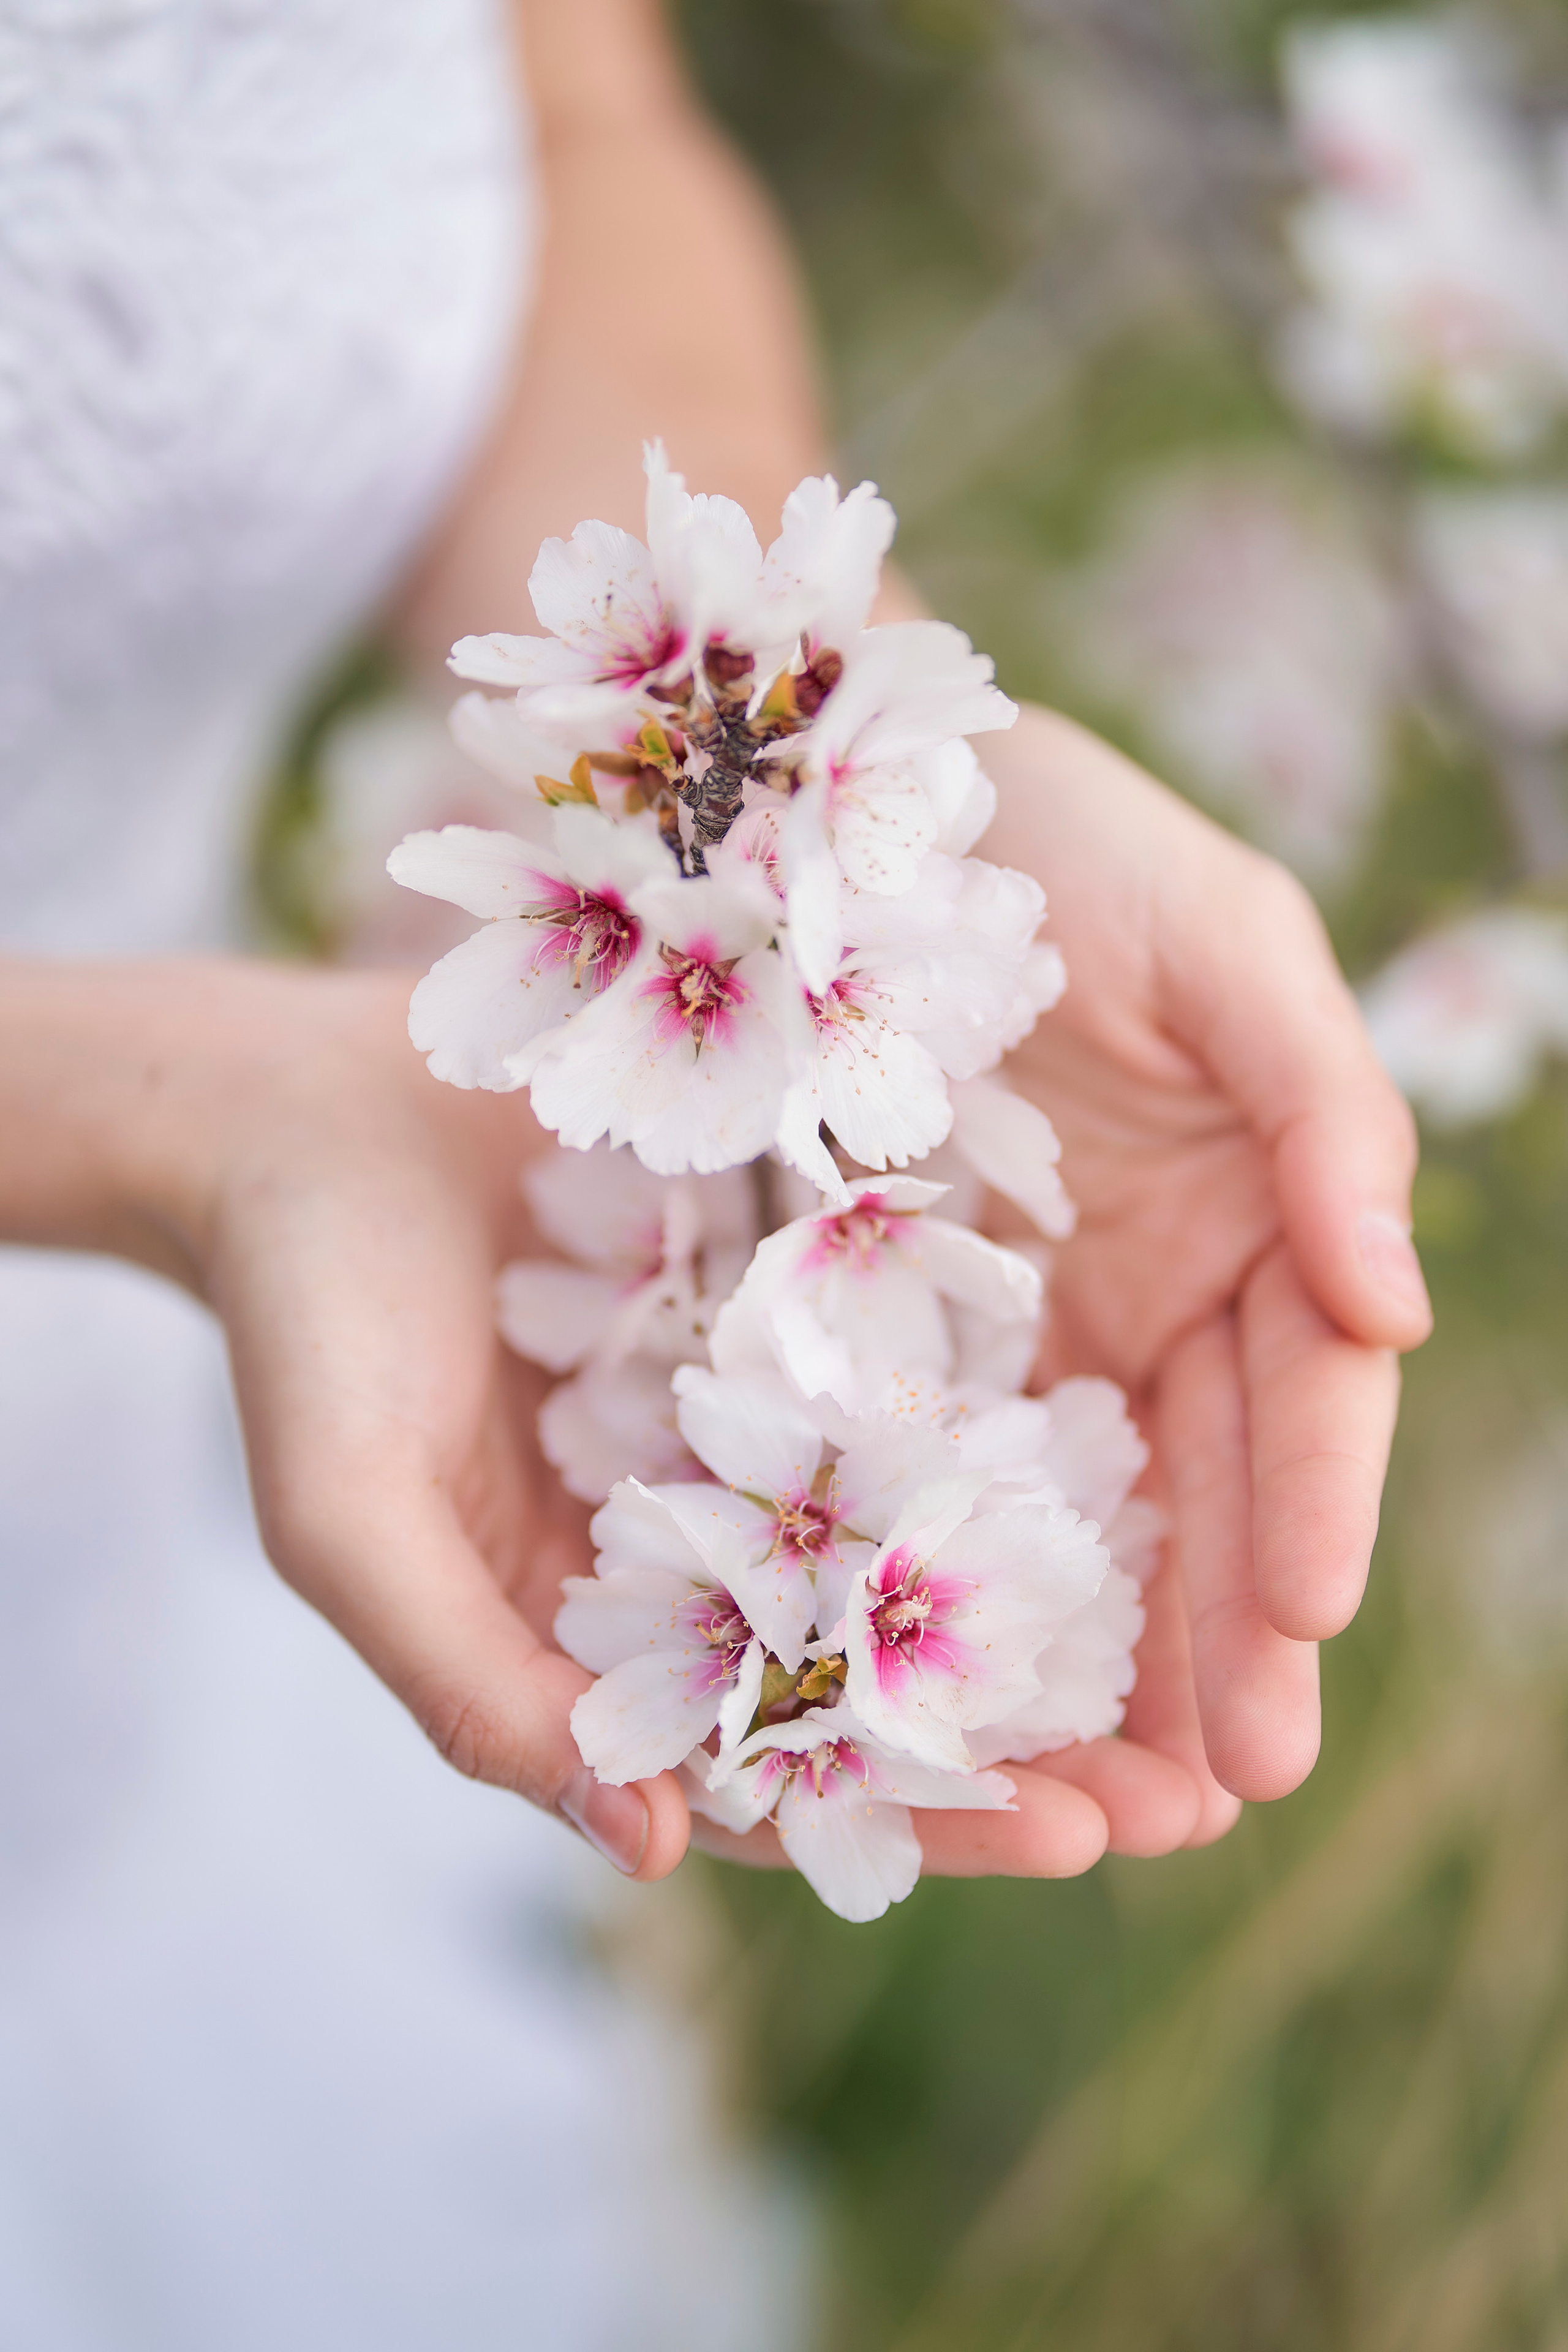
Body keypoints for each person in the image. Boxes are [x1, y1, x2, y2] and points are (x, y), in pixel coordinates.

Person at [0, 0, 1430, 2340]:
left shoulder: (742, 846)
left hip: (101, 1485)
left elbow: (568, 112)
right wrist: (174, 1119)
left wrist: (784, 728)